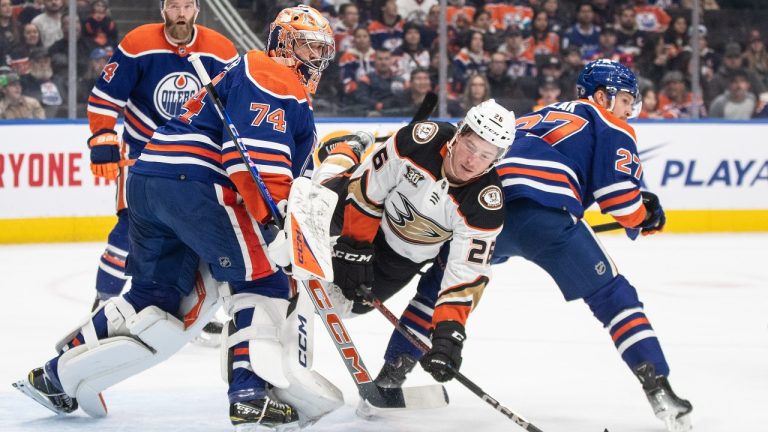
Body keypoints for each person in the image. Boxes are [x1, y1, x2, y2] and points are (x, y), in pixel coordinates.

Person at [13, 5, 337, 431]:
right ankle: (249, 393)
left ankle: (53, 375)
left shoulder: (251, 74)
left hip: (149, 181)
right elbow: (249, 162)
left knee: (153, 295)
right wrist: (274, 221)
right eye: (306, 46)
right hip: (196, 185)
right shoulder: (275, 75)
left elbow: (282, 167)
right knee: (263, 281)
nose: (314, 58)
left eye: (320, 50)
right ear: (281, 43)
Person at [402, 59, 693, 432]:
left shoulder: (531, 117)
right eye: (624, 101)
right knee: (613, 296)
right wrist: (645, 216)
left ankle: (391, 374)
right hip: (549, 217)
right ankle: (661, 391)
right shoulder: (608, 121)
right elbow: (621, 202)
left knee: (442, 286)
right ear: (602, 96)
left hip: (489, 210)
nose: (627, 111)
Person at [319, 99, 514, 390]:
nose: (473, 161)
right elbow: (367, 191)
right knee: (318, 198)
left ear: (494, 161)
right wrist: (355, 248)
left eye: (485, 156)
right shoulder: (419, 141)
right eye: (471, 147)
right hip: (364, 210)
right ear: (459, 135)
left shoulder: (485, 204)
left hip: (404, 255)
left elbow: (464, 274)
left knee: (344, 306)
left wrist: (449, 333)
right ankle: (348, 148)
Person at [85, 0, 237, 314]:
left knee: (200, 233)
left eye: (186, 6)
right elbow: (105, 97)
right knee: (129, 230)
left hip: (194, 157)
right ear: (162, 10)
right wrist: (102, 138)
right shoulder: (138, 43)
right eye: (173, 6)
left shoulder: (220, 50)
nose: (180, 13)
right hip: (142, 154)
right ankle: (103, 302)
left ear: (196, 10)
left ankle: (195, 306)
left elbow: (236, 103)